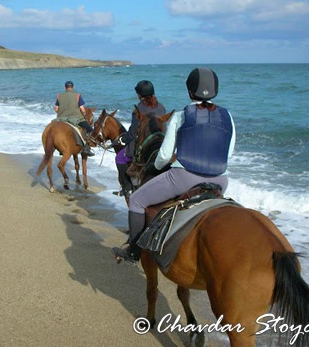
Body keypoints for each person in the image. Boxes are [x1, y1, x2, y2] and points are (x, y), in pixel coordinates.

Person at [113, 67, 236, 264]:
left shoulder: (181, 116)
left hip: (184, 178)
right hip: (220, 180)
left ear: (189, 92)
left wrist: (157, 167)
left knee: (136, 200)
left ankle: (134, 252)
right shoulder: (228, 116)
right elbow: (228, 153)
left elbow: (164, 155)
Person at [114, 80, 166, 198]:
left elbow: (132, 133)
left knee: (119, 159)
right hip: (161, 145)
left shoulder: (139, 109)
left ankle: (127, 188)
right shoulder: (162, 107)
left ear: (139, 95)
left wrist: (122, 140)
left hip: (143, 147)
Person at [54, 80, 94, 156]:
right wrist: (84, 115)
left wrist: (62, 114)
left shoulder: (59, 96)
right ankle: (86, 149)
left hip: (61, 119)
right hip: (76, 118)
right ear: (73, 87)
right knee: (89, 130)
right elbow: (82, 109)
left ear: (65, 87)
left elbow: (56, 109)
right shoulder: (77, 95)